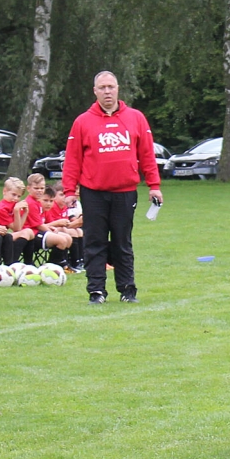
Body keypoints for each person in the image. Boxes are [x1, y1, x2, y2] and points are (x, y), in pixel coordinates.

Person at [62, 71, 162, 304]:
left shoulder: (136, 118)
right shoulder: (82, 122)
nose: (107, 91)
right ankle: (96, 291)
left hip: (125, 191)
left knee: (122, 242)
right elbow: (73, 159)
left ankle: (127, 289)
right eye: (102, 88)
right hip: (93, 192)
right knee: (94, 242)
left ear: (117, 89)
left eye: (111, 87)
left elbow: (147, 154)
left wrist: (154, 185)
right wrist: (69, 191)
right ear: (95, 91)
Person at [24, 174, 72, 265]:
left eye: (42, 188)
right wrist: (52, 231)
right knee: (61, 240)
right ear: (28, 188)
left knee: (68, 238)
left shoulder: (39, 203)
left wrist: (53, 229)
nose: (39, 191)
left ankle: (63, 262)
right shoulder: (31, 203)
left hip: (40, 231)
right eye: (36, 188)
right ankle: (52, 265)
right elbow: (39, 225)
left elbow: (48, 223)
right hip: (33, 235)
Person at [0, 177, 35, 263]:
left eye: (19, 196)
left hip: (5, 235)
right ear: (4, 191)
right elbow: (17, 229)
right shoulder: (1, 208)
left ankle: (28, 261)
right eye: (13, 194)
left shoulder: (12, 205)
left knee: (29, 232)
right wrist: (16, 211)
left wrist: (25, 212)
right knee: (26, 233)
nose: (16, 198)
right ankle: (13, 261)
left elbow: (19, 227)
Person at [44, 184, 85, 271]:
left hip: (56, 230)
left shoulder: (64, 207)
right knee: (71, 231)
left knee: (79, 231)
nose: (64, 197)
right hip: (48, 231)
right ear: (54, 196)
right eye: (61, 195)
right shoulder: (52, 206)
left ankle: (80, 260)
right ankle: (72, 262)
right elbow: (50, 223)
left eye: (65, 195)